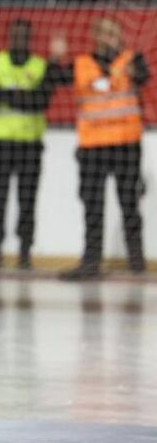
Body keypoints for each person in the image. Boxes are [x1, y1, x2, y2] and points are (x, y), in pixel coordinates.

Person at [51, 18, 148, 280]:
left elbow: (144, 76)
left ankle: (137, 263)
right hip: (92, 147)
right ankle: (91, 262)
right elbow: (53, 79)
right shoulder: (81, 64)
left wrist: (132, 71)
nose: (110, 37)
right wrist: (54, 57)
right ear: (94, 36)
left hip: (126, 145)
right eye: (104, 33)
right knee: (92, 206)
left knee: (129, 204)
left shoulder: (131, 59)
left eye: (114, 32)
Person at [0, 19, 56, 270]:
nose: (19, 39)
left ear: (30, 37)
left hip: (29, 145)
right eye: (15, 34)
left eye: (24, 35)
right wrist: (23, 96)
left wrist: (6, 95)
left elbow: (41, 101)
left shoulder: (40, 66)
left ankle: (25, 253)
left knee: (27, 201)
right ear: (8, 36)